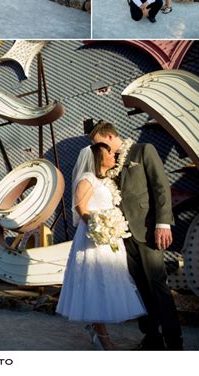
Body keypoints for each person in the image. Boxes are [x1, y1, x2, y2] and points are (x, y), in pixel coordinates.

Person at [90, 121, 183, 350]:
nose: (99, 150)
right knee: (138, 288)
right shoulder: (108, 162)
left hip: (148, 231)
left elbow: (161, 187)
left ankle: (174, 341)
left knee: (157, 285)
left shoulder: (143, 151)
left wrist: (163, 224)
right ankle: (151, 338)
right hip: (122, 235)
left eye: (100, 144)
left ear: (110, 136)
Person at [57, 143, 146, 350]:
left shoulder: (106, 181)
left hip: (110, 238)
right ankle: (102, 336)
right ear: (98, 155)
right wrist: (100, 226)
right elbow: (81, 208)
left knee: (109, 281)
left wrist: (112, 228)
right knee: (95, 282)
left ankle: (97, 330)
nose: (114, 155)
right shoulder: (87, 179)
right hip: (94, 238)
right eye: (109, 152)